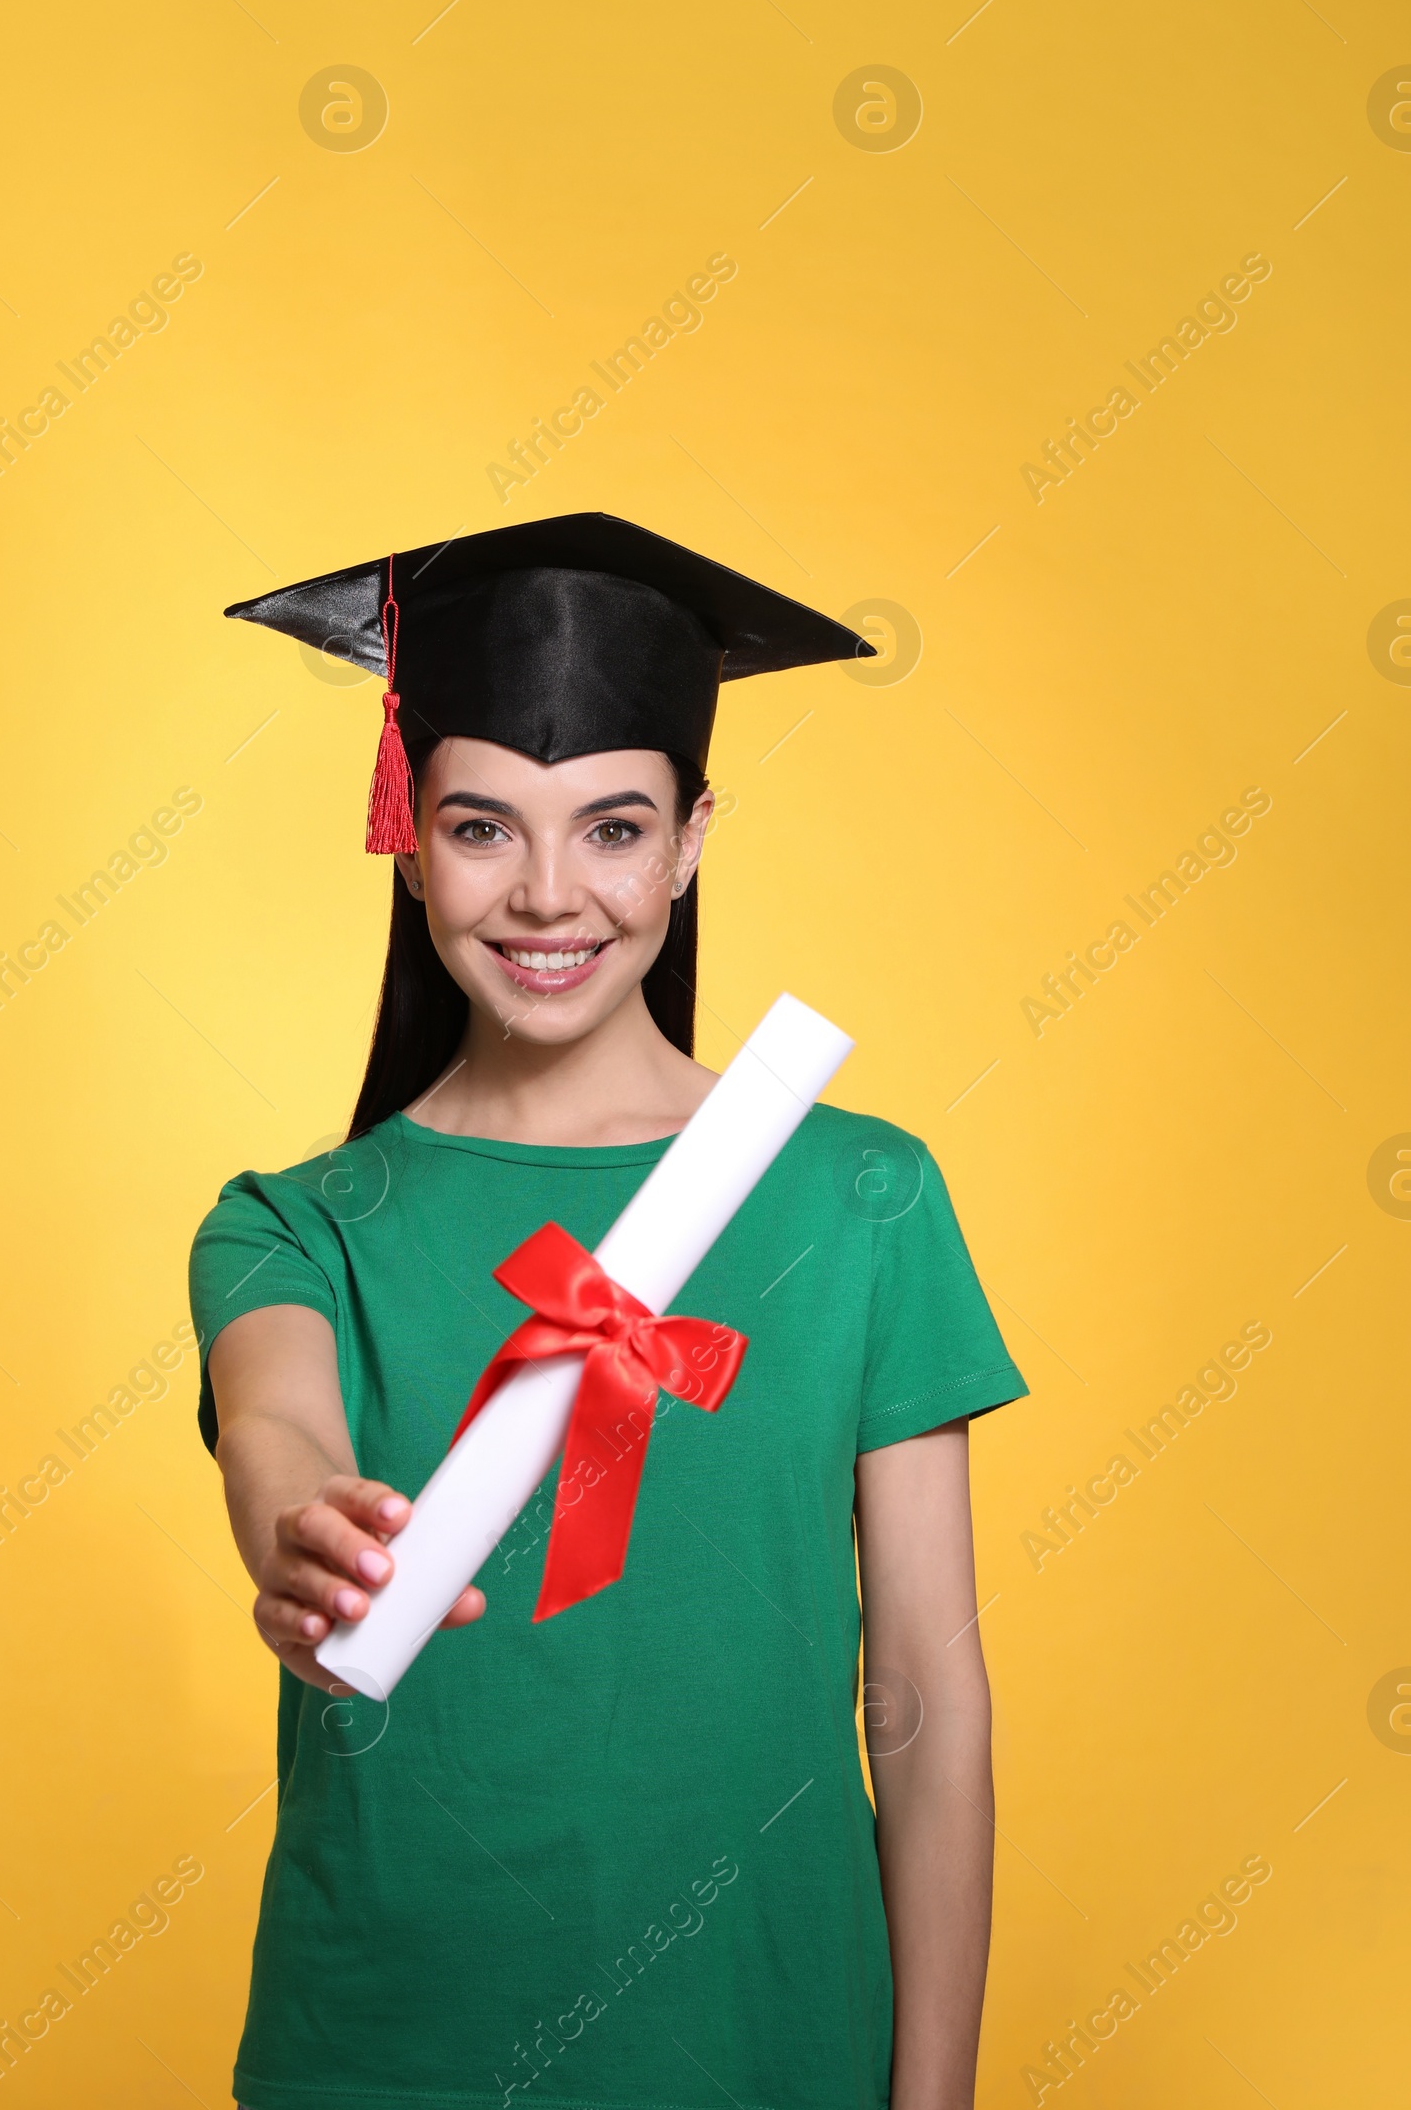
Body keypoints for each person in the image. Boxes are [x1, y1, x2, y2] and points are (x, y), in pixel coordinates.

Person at [190, 514, 1028, 2110]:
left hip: (766, 2045)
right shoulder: (295, 1227)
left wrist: (935, 2102)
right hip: (384, 2055)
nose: (551, 894)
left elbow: (925, 1698)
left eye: (615, 828)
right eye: (486, 828)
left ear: (692, 840)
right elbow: (278, 1432)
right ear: (411, 836)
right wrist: (309, 1534)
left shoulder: (863, 1199)